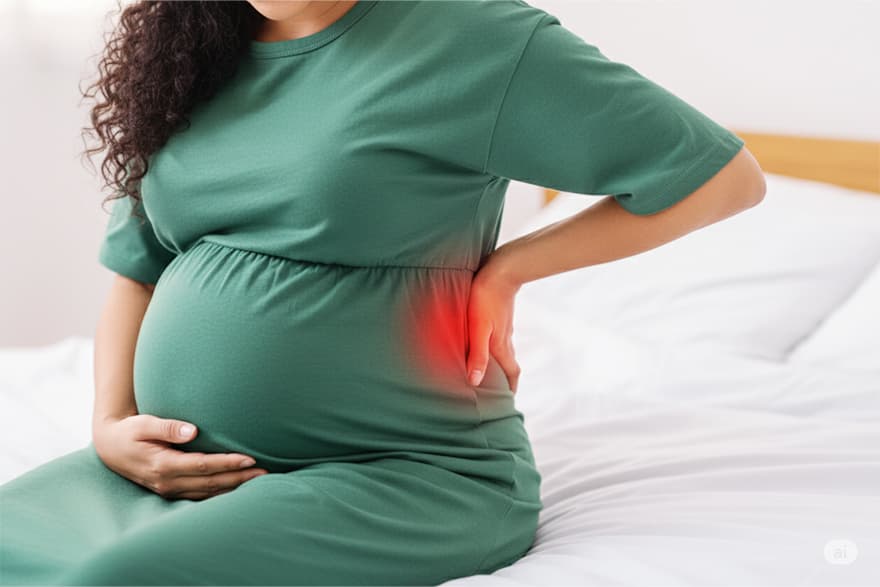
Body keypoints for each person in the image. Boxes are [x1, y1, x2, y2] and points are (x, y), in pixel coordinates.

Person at [0, 0, 765, 585]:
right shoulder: (195, 47)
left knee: (113, 580)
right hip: (184, 464)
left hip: (401, 471)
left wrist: (513, 265)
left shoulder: (476, 40)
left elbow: (721, 178)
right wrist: (109, 425)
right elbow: (138, 264)